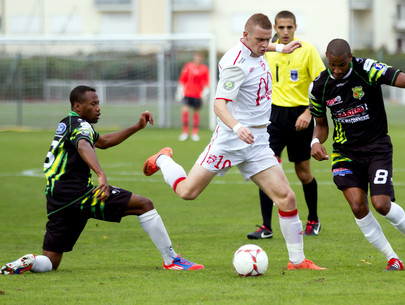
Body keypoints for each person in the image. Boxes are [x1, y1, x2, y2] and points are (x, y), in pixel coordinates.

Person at [143, 13, 326, 270]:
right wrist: (238, 127)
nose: (265, 45)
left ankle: (297, 261)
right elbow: (219, 105)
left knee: (287, 198)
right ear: (244, 36)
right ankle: (162, 159)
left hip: (258, 141)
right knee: (187, 192)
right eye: (260, 40)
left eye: (267, 39)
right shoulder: (235, 65)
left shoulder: (258, 47)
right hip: (230, 140)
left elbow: (262, 45)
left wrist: (281, 47)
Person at [1, 85, 203, 275]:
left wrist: (137, 126)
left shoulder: (68, 122)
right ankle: (171, 259)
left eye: (98, 104)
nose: (98, 109)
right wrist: (101, 174)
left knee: (51, 261)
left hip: (57, 200)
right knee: (144, 204)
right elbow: (83, 146)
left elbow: (103, 142)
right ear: (78, 106)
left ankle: (30, 261)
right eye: (93, 104)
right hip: (77, 194)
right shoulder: (80, 126)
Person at [309, 38, 405, 271]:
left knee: (380, 203)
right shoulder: (319, 85)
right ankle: (392, 258)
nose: (337, 70)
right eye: (332, 65)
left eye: (342, 65)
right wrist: (316, 141)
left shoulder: (367, 70)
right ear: (327, 59)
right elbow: (321, 125)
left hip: (376, 147)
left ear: (351, 58)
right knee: (358, 205)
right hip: (344, 153)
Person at [246, 10, 326, 240]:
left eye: (289, 27)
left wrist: (309, 113)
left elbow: (321, 86)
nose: (285, 32)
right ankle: (266, 227)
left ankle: (313, 219)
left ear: (295, 27)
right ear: (275, 28)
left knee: (303, 173)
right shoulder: (267, 51)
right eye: (281, 28)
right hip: (272, 117)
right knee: (264, 169)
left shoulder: (308, 50)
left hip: (300, 117)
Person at [177, 51, 210, 141]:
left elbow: (207, 82)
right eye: (197, 57)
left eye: (199, 58)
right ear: (194, 58)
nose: (198, 59)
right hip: (187, 93)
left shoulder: (204, 69)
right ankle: (185, 132)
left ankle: (195, 133)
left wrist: (206, 91)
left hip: (197, 94)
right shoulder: (188, 66)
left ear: (201, 59)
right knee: (185, 110)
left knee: (196, 112)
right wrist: (180, 89)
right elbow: (182, 78)